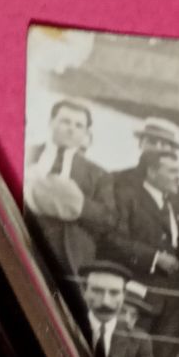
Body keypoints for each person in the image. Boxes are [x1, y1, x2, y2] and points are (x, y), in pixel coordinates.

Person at [105, 146, 179, 357]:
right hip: (140, 290)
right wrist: (154, 258)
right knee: (128, 356)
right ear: (152, 172)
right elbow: (113, 239)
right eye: (171, 170)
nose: (178, 176)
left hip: (173, 296)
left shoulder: (177, 201)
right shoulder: (126, 196)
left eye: (178, 170)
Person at [24, 99, 115, 288]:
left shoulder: (98, 174)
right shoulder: (26, 152)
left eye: (78, 125)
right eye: (65, 121)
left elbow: (108, 219)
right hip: (23, 240)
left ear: (85, 133)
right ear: (51, 122)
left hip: (69, 258)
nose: (71, 129)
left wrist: (78, 205)